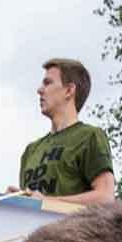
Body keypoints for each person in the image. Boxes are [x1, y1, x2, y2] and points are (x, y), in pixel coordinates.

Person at [8, 58, 115, 205]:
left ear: (69, 91)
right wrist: (14, 201)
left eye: (48, 83)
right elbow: (31, 204)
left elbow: (105, 197)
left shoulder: (90, 137)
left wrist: (47, 202)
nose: (39, 90)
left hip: (74, 228)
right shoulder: (31, 150)